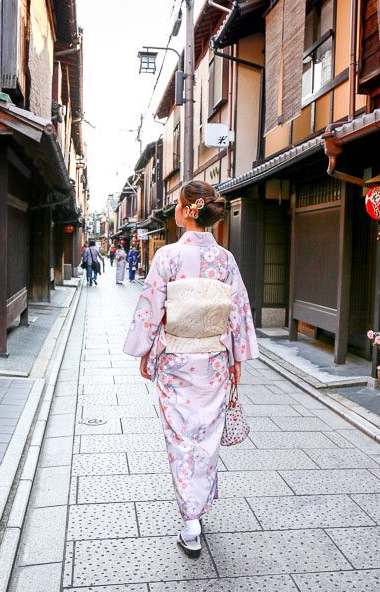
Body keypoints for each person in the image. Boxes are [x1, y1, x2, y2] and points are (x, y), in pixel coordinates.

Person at [123, 180, 259, 559]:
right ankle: (199, 507)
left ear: (186, 210)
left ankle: (190, 521)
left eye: (177, 204)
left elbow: (151, 309)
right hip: (213, 360)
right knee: (208, 437)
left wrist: (144, 352)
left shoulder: (166, 257)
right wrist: (235, 360)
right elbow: (237, 312)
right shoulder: (225, 260)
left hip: (176, 362)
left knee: (181, 438)